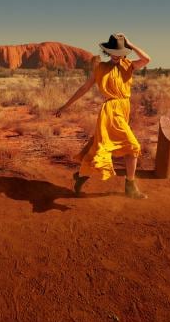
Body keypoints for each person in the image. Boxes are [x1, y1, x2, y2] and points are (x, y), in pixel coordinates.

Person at [54, 33, 151, 199]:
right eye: (113, 51)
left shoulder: (129, 65)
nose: (116, 54)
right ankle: (130, 186)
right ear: (108, 52)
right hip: (110, 111)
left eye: (119, 51)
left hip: (123, 109)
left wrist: (130, 43)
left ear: (124, 52)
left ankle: (81, 177)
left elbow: (147, 59)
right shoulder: (100, 68)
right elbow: (84, 88)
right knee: (133, 146)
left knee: (100, 147)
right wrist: (65, 106)